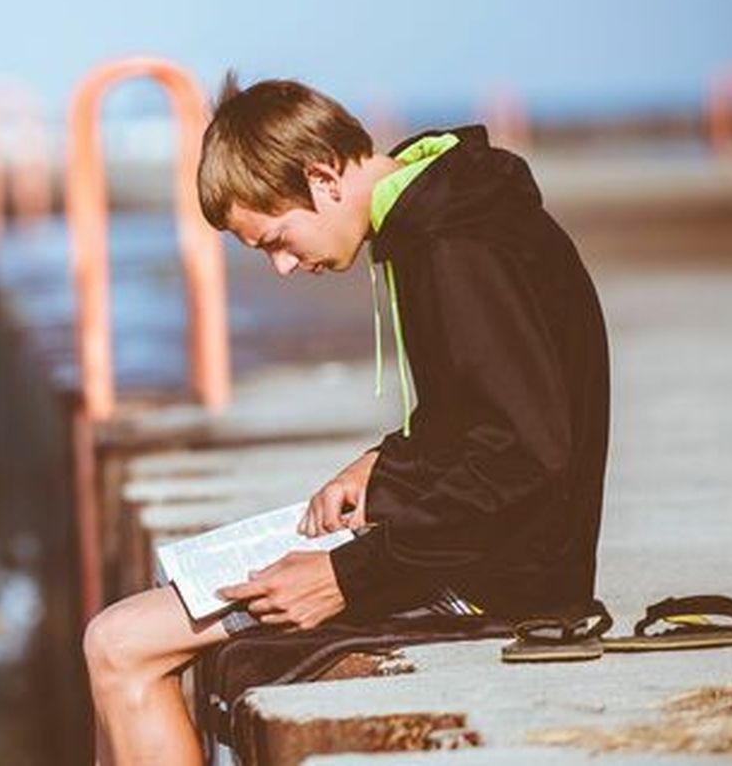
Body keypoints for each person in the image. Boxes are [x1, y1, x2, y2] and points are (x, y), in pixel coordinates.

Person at [82, 75, 610, 764]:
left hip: (502, 582)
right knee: (142, 621)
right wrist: (387, 462)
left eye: (275, 238)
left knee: (120, 647)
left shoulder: (457, 247)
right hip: (474, 547)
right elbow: (490, 413)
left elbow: (527, 456)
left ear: (323, 176)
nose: (280, 267)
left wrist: (348, 577)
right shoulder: (441, 216)